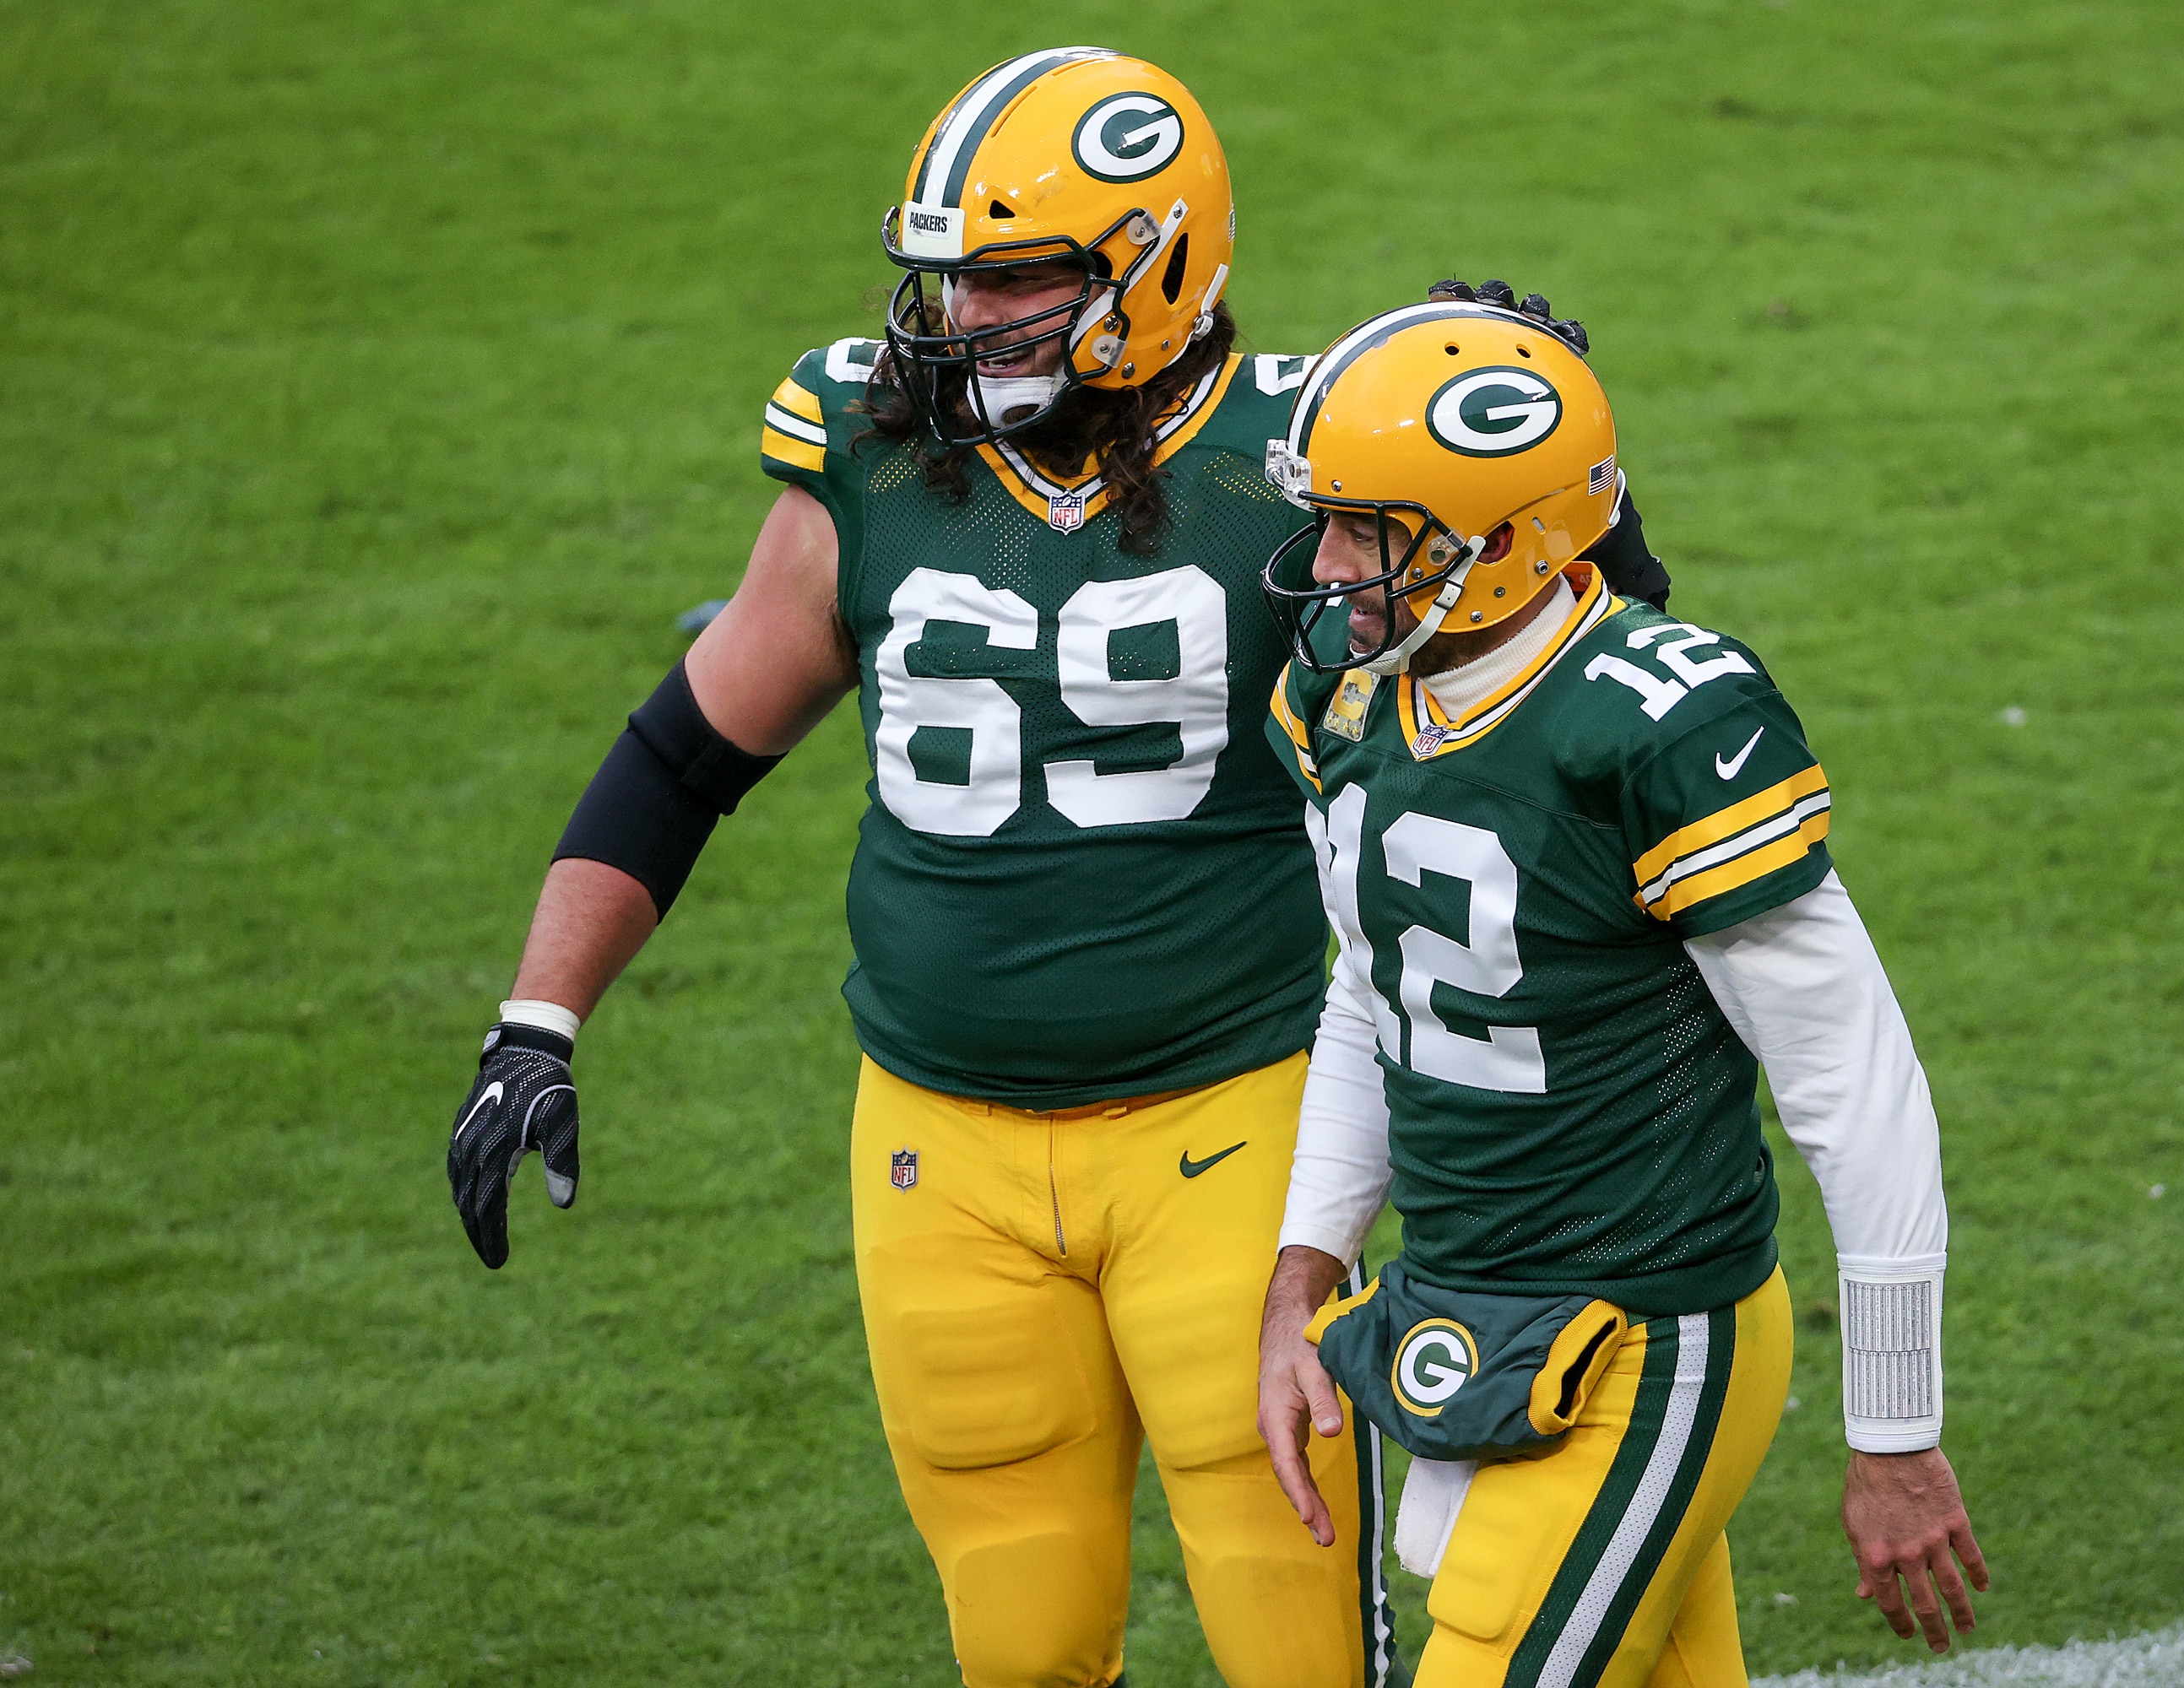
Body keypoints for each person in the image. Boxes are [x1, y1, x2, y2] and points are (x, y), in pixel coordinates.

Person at [442, 48, 1662, 1688]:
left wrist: (1579, 496)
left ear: (1158, 268)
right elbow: (688, 750)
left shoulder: (1292, 462)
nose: (963, 320)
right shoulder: (865, 445)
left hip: (1230, 1137)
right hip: (937, 1158)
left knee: (1298, 1650)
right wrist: (539, 1016)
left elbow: (1583, 697)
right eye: (950, 281)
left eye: (1017, 279)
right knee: (1017, 1648)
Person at [1251, 299, 1987, 1688]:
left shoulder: (1654, 721)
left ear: (1503, 539)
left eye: (1371, 531)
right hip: (1472, 1297)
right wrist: (1302, 1276)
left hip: (1653, 1335)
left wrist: (1894, 1430)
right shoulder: (1348, 700)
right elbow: (1374, 988)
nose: (1329, 565)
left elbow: (1857, 1082)